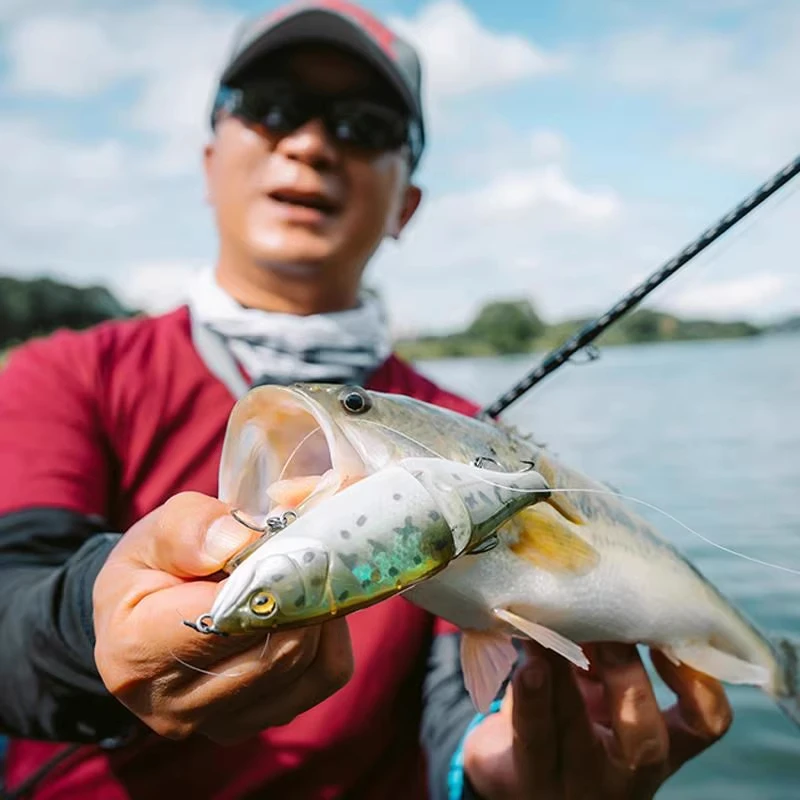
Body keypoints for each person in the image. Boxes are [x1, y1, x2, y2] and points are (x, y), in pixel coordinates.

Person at [0, 1, 733, 798]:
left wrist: (493, 769)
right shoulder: (64, 375)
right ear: (209, 162)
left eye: (364, 124)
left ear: (406, 205)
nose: (311, 143)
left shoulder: (468, 440)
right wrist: (89, 616)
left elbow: (459, 675)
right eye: (272, 108)